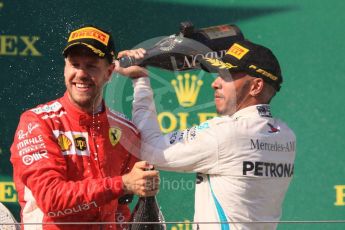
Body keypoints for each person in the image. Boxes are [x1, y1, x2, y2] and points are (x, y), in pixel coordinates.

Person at [115, 40, 296, 230]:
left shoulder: (226, 133)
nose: (215, 83)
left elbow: (149, 150)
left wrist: (140, 80)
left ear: (256, 87)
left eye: (228, 76)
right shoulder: (286, 135)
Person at [10, 25, 159, 230]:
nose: (81, 74)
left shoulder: (125, 131)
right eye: (74, 64)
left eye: (91, 66)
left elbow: (120, 206)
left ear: (108, 72)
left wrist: (140, 79)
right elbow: (50, 198)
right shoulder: (38, 122)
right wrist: (122, 183)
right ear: (65, 69)